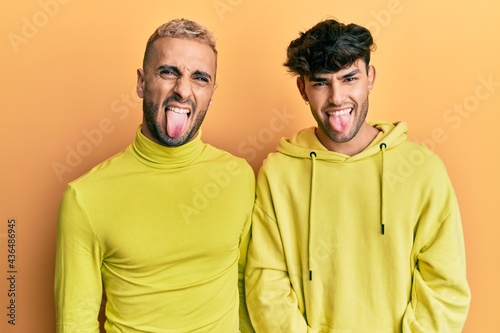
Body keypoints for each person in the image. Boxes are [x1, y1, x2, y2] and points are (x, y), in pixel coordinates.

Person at [245, 18, 471, 332]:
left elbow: (445, 288)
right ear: (303, 88)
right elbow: (266, 284)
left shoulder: (423, 171)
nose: (337, 97)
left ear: (370, 78)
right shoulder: (278, 173)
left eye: (349, 78)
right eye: (321, 82)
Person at [55, 18, 255, 332]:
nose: (183, 90)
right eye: (168, 72)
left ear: (212, 94)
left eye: (199, 78)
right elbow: (75, 323)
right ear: (141, 82)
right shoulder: (85, 196)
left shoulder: (237, 177)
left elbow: (245, 289)